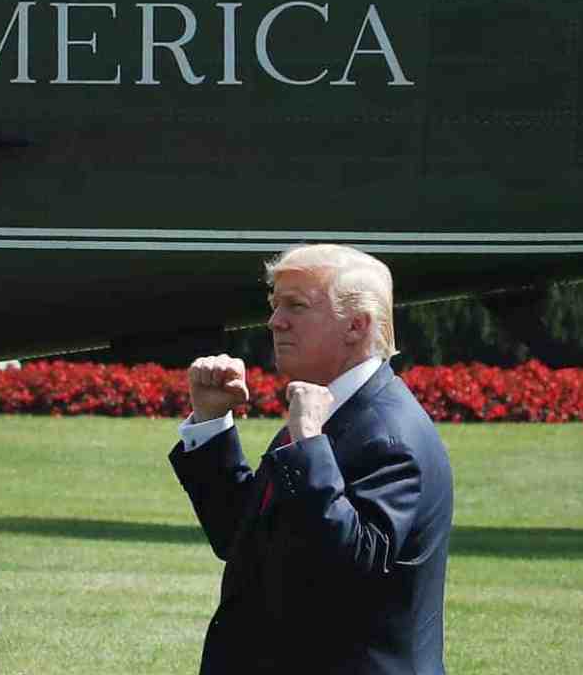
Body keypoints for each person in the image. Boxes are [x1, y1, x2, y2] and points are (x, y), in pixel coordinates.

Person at [168, 244, 453, 675]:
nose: (274, 321)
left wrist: (308, 445)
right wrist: (211, 421)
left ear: (357, 326)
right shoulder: (329, 407)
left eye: (296, 306)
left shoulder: (388, 434)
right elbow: (246, 540)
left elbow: (351, 567)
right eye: (275, 304)